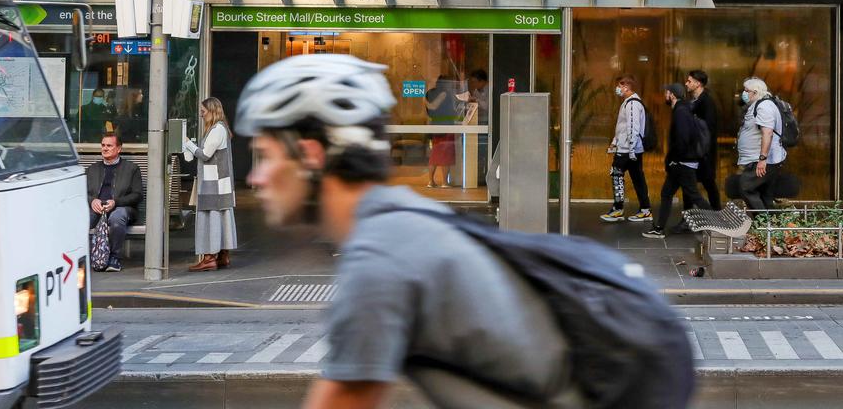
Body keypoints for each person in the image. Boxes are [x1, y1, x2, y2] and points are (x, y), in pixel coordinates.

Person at [236, 54, 584, 408]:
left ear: (310, 155)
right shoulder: (403, 223)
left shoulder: (379, 259)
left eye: (265, 156)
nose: (255, 178)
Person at [643, 84, 711, 239]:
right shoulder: (683, 110)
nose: (665, 95)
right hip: (682, 162)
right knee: (666, 193)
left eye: (667, 92)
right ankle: (659, 228)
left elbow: (683, 139)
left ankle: (720, 224)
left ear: (672, 95)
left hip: (683, 163)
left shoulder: (680, 112)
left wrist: (675, 160)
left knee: (694, 196)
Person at [182, 98, 238, 272]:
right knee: (221, 218)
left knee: (210, 217)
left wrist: (187, 143)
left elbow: (205, 155)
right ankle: (222, 255)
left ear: (212, 111)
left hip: (213, 184)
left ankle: (209, 258)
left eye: (203, 111)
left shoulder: (217, 129)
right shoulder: (220, 129)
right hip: (220, 183)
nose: (201, 114)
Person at [599, 75, 652, 223]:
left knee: (616, 174)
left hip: (628, 149)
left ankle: (618, 209)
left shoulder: (632, 104)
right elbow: (622, 127)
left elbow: (633, 127)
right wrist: (615, 142)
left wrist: (630, 149)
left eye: (620, 86)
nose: (618, 89)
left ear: (627, 87)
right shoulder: (628, 102)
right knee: (637, 178)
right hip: (628, 148)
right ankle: (645, 210)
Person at [85, 132, 142, 272]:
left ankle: (114, 257)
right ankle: (84, 258)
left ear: (119, 149)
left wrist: (116, 202)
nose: (105, 148)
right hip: (97, 208)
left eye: (109, 145)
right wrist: (92, 201)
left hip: (121, 207)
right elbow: (81, 192)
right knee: (81, 220)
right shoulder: (92, 169)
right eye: (103, 145)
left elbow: (137, 195)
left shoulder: (131, 169)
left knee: (117, 217)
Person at [735, 78, 786, 211]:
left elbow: (767, 133)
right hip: (762, 159)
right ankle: (769, 228)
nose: (744, 94)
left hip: (762, 160)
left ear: (755, 92)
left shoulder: (764, 106)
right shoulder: (760, 105)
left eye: (746, 91)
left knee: (745, 186)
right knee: (765, 195)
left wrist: (762, 159)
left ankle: (763, 223)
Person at [685, 70, 720, 210]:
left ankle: (717, 213)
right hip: (697, 151)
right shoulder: (695, 101)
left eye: (689, 81)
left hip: (703, 152)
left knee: (708, 183)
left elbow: (708, 129)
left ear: (698, 83)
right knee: (691, 183)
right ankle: (689, 217)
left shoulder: (706, 102)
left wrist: (702, 150)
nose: (686, 83)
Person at [424, 75, 461, 188]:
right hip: (446, 127)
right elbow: (434, 107)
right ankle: (444, 182)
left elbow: (429, 110)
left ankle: (431, 181)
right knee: (446, 155)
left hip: (435, 126)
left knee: (435, 154)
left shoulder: (430, 93)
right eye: (450, 83)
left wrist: (424, 101)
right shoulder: (445, 93)